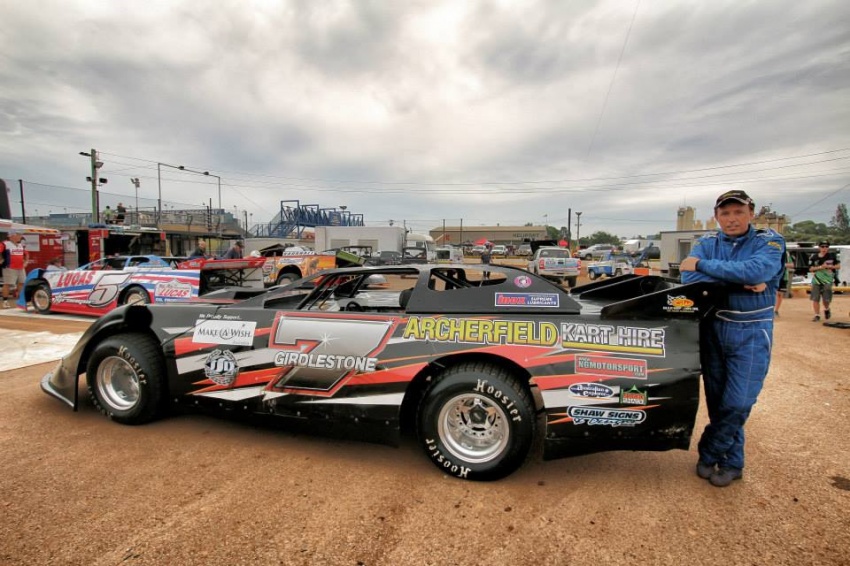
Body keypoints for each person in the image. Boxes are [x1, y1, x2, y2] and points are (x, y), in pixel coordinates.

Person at [679, 190, 785, 487]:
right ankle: (733, 462)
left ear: (751, 213)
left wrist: (702, 266)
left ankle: (710, 449)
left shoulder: (769, 240)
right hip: (713, 329)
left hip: (752, 331)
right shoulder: (708, 242)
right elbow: (688, 280)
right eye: (725, 213)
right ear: (717, 216)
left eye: (738, 212)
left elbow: (759, 270)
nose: (732, 219)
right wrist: (743, 278)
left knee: (738, 403)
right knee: (717, 401)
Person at [808, 240, 840, 322]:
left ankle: (827, 309)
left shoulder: (832, 256)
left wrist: (830, 267)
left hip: (828, 280)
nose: (824, 248)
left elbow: (838, 266)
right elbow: (810, 269)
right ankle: (817, 315)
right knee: (815, 298)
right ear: (819, 247)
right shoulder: (814, 257)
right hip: (817, 280)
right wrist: (821, 267)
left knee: (826, 299)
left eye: (826, 246)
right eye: (822, 246)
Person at [2, 230, 30, 309]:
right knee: (7, 283)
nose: (20, 237)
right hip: (9, 267)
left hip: (20, 268)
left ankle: (21, 301)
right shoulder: (5, 244)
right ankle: (5, 301)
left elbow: (26, 254)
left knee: (21, 283)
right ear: (12, 236)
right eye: (18, 235)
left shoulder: (20, 245)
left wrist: (26, 262)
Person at [774, 249, 794, 316]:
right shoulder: (771, 251)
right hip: (773, 276)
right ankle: (771, 310)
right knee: (774, 293)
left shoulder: (786, 254)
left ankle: (776, 310)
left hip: (783, 276)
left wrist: (782, 265)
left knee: (780, 294)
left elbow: (791, 265)